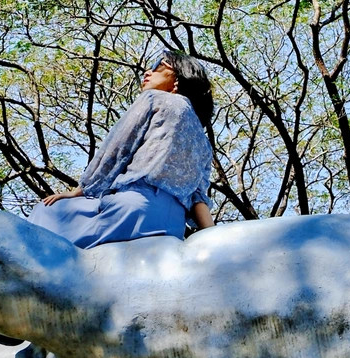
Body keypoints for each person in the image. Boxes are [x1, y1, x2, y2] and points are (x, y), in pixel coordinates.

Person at [28, 51, 215, 248]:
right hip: (171, 228)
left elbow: (117, 150)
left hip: (131, 209)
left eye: (158, 65)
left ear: (178, 76)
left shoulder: (155, 99)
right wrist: (212, 240)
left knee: (46, 212)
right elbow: (199, 198)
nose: (148, 71)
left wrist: (79, 191)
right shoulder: (204, 144)